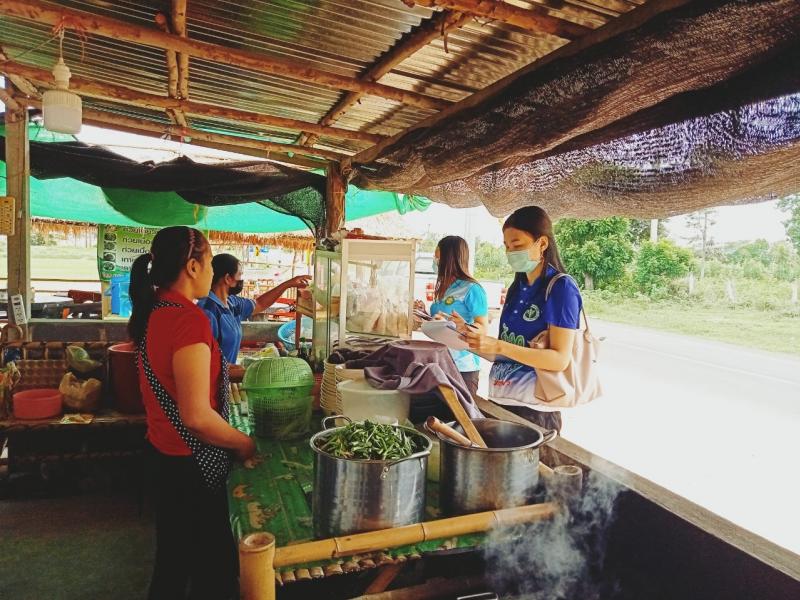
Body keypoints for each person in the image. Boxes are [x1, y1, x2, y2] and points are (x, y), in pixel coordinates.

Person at [128, 226, 256, 600]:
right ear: (192, 266)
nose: (212, 271)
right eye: (210, 262)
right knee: (213, 570)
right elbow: (197, 417)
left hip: (162, 454)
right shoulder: (188, 320)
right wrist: (244, 443)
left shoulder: (156, 309)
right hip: (191, 464)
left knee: (173, 562)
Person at [458, 206, 582, 432]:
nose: (510, 252)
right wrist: (465, 336)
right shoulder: (516, 288)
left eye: (517, 245)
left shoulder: (561, 287)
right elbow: (503, 353)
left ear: (542, 244)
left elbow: (559, 359)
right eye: (506, 246)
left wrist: (498, 345)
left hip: (535, 410)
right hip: (500, 400)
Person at [198, 253, 311, 365]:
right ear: (228, 278)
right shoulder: (208, 312)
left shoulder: (232, 303)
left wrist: (288, 284)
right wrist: (232, 371)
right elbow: (203, 360)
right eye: (239, 275)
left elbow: (260, 303)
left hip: (227, 373)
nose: (241, 280)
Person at [418, 236, 488, 398]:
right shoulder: (444, 287)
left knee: (461, 412)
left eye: (437, 257)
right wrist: (424, 314)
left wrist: (464, 326)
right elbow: (442, 322)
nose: (435, 261)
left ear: (449, 258)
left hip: (463, 366)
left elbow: (482, 328)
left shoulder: (472, 289)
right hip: (440, 362)